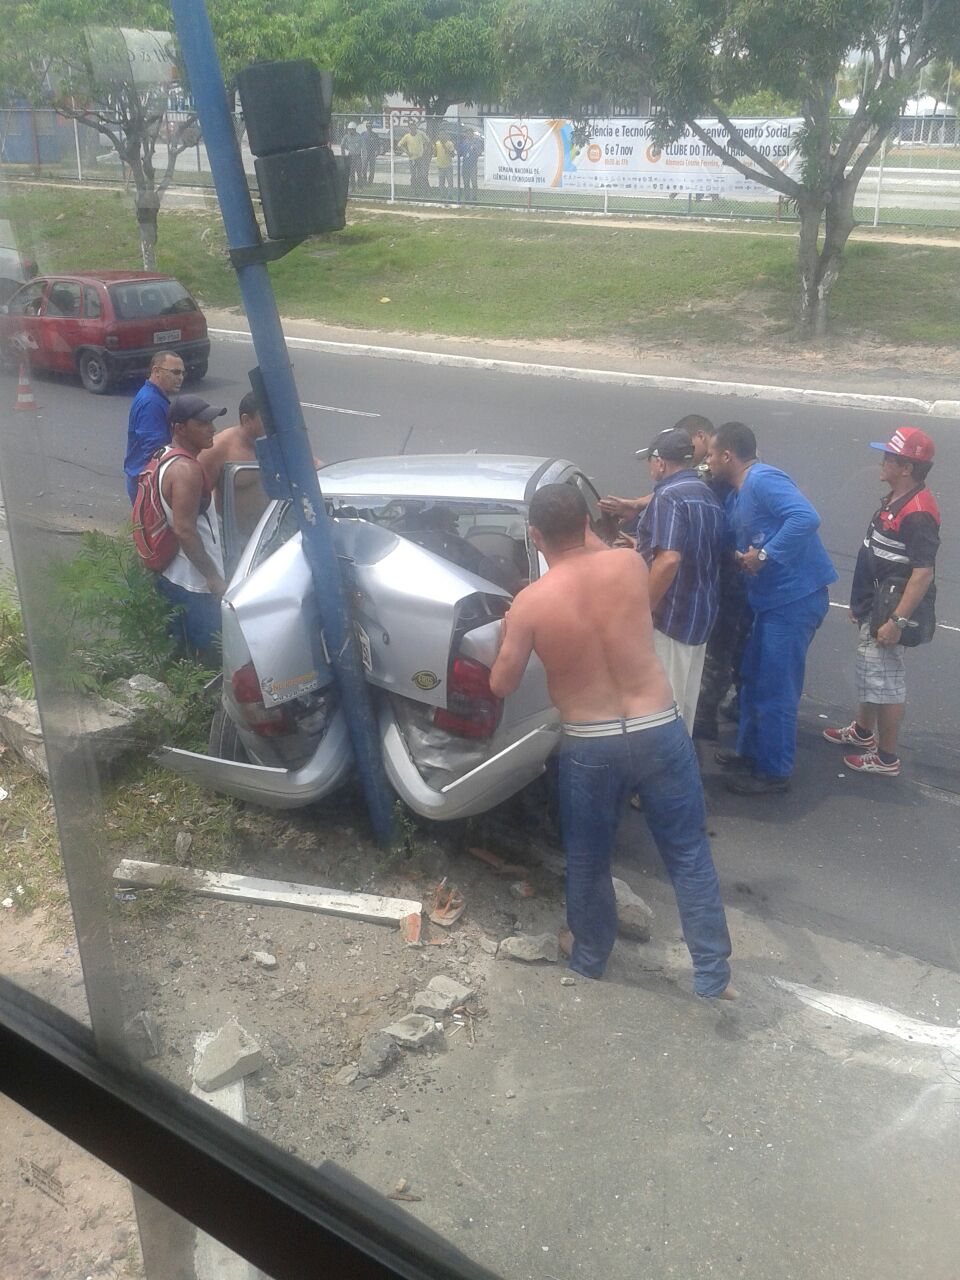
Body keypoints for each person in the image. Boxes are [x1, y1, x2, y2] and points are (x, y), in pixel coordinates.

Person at [489, 483, 733, 998]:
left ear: (533, 535)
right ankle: (712, 976)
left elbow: (501, 685)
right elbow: (599, 557)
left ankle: (589, 959)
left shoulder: (531, 604)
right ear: (586, 525)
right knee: (688, 853)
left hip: (591, 743)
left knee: (588, 858)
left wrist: (508, 630)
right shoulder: (628, 566)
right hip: (658, 727)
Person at [707, 421, 837, 796]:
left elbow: (806, 518)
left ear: (728, 455)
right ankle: (750, 754)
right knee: (752, 677)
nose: (709, 463)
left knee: (776, 685)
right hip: (769, 602)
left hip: (794, 600)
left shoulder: (762, 479)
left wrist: (765, 555)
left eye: (713, 456)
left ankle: (774, 771)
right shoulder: (735, 494)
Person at [823, 427, 940, 777]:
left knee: (887, 682)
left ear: (906, 468)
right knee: (872, 674)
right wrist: (862, 606)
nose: (882, 462)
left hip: (892, 612)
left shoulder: (918, 513)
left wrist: (896, 622)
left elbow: (922, 573)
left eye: (889, 457)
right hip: (877, 605)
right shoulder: (898, 498)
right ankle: (862, 732)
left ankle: (886, 758)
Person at [633, 427, 724, 731]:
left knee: (660, 712)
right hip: (699, 618)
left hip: (670, 618)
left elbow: (669, 558)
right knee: (683, 706)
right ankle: (681, 768)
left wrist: (641, 611)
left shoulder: (669, 497)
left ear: (660, 462)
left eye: (649, 460)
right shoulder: (706, 495)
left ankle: (664, 773)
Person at [155, 395, 227, 667]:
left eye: (212, 422)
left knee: (183, 658)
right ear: (179, 428)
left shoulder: (165, 455)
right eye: (202, 423)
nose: (212, 429)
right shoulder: (186, 470)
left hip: (175, 575)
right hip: (193, 584)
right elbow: (184, 530)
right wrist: (213, 578)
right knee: (208, 663)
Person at [600, 414, 715, 528]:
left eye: (686, 444)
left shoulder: (715, 459)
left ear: (700, 436)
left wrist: (638, 504)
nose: (683, 449)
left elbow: (684, 487)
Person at [199, 390, 269, 536]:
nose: (272, 422)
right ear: (246, 420)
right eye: (266, 418)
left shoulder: (277, 442)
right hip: (234, 537)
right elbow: (197, 500)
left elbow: (312, 465)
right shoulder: (219, 449)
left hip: (270, 532)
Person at [123, 350, 185, 502]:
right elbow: (155, 449)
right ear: (156, 371)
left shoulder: (154, 397)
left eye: (183, 373)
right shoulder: (151, 403)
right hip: (147, 484)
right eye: (175, 372)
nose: (180, 378)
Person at [397, 123, 429, 195]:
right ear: (409, 129)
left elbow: (427, 141)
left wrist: (425, 149)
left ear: (416, 128)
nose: (413, 130)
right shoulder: (407, 136)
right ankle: (413, 190)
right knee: (413, 175)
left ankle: (423, 190)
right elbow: (399, 144)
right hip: (412, 159)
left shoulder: (420, 134)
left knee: (422, 174)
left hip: (420, 158)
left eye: (414, 129)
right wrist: (407, 152)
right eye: (411, 129)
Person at [458, 128, 482, 200]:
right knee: (466, 183)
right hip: (465, 166)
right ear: (466, 135)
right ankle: (467, 197)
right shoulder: (463, 143)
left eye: (470, 134)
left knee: (474, 182)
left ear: (473, 134)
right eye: (467, 134)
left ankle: (474, 197)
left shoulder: (476, 143)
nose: (469, 135)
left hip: (473, 166)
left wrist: (474, 147)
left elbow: (479, 153)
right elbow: (460, 154)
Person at [341, 122, 362, 190]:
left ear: (354, 129)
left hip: (358, 156)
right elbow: (342, 145)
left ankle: (359, 187)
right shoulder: (346, 136)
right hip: (350, 157)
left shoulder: (359, 136)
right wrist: (343, 155)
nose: (349, 131)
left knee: (359, 172)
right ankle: (352, 187)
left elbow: (363, 147)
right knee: (351, 173)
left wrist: (364, 155)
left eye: (351, 129)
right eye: (349, 129)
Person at [434, 131, 456, 195]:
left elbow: (452, 155)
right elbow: (435, 154)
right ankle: (442, 194)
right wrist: (434, 148)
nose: (442, 136)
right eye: (440, 135)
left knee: (450, 181)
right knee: (441, 182)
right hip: (440, 166)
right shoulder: (437, 143)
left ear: (446, 135)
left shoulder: (450, 143)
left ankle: (450, 194)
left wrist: (443, 145)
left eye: (443, 135)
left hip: (448, 166)